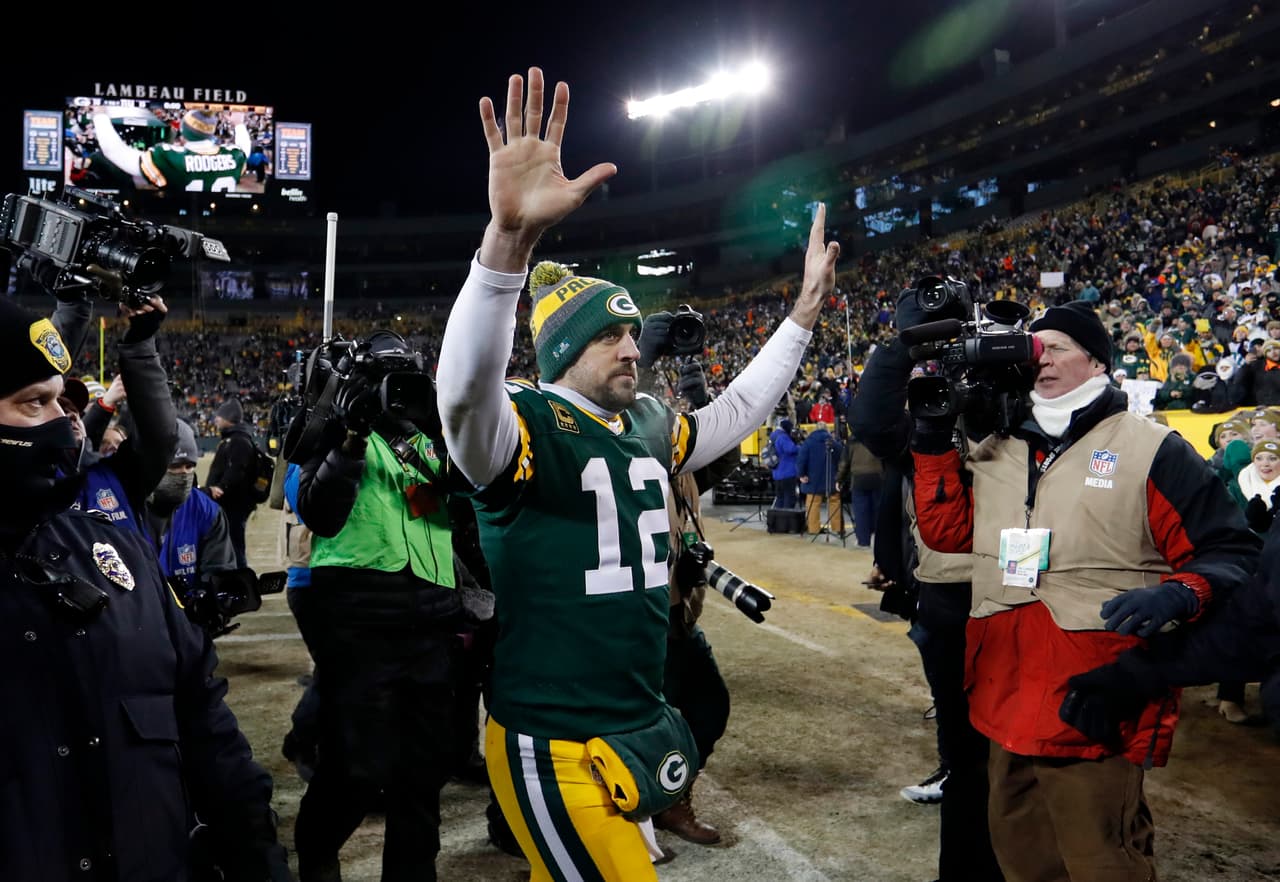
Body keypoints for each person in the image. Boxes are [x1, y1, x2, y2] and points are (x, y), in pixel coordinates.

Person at [435, 65, 839, 882]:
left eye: (631, 332)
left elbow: (733, 415)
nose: (631, 348)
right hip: (550, 731)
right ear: (557, 354)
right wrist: (506, 245)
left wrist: (798, 320)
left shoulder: (649, 421)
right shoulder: (523, 425)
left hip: (635, 715)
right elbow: (461, 397)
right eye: (608, 337)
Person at [909, 300, 1260, 881]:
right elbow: (948, 534)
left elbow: (1232, 552)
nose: (1038, 359)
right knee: (1021, 854)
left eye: (1056, 348)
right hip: (1004, 692)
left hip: (1092, 695)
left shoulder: (1151, 447)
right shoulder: (999, 445)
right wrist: (929, 438)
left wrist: (1181, 593)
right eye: (1032, 348)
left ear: (1097, 362)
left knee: (1101, 859)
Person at [0, 297, 291, 881]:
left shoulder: (117, 551)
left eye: (66, 401)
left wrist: (259, 860)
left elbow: (207, 727)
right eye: (37, 403)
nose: (64, 422)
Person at [291, 330, 477, 882]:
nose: (395, 394)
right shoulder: (332, 429)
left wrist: (441, 426)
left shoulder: (425, 438)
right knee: (357, 768)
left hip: (434, 615)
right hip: (358, 617)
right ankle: (318, 855)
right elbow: (319, 513)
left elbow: (472, 498)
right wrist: (351, 433)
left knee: (423, 773)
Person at [849, 285, 1003, 882]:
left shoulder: (1002, 406)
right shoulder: (921, 412)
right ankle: (956, 773)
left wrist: (983, 360)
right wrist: (902, 348)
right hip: (941, 589)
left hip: (1008, 586)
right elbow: (870, 422)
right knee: (962, 728)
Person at [93, 106, 252, 192]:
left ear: (183, 131)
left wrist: (100, 114)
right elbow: (244, 149)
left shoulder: (169, 158)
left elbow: (114, 151)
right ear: (211, 132)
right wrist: (239, 123)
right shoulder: (234, 156)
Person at [206, 397, 259, 568]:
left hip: (233, 505)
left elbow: (236, 471)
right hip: (230, 504)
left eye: (219, 416)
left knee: (235, 549)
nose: (216, 420)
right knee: (230, 547)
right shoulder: (235, 439)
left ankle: (242, 585)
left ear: (229, 418)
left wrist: (220, 488)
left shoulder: (238, 441)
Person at [834, 425, 882, 548]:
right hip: (878, 478)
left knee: (861, 512)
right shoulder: (879, 438)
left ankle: (863, 540)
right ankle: (878, 539)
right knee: (878, 510)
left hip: (859, 479)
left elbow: (844, 462)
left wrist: (839, 479)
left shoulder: (852, 440)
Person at [797, 419, 844, 535]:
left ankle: (813, 529)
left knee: (813, 504)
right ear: (827, 429)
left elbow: (801, 460)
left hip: (813, 480)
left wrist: (801, 475)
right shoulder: (833, 442)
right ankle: (837, 528)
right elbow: (842, 458)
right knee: (835, 502)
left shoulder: (808, 443)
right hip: (831, 479)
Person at [768, 417, 801, 509]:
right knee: (789, 498)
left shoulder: (773, 436)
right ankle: (787, 519)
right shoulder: (783, 437)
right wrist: (799, 446)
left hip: (777, 472)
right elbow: (791, 449)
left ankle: (779, 520)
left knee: (780, 498)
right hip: (787, 472)